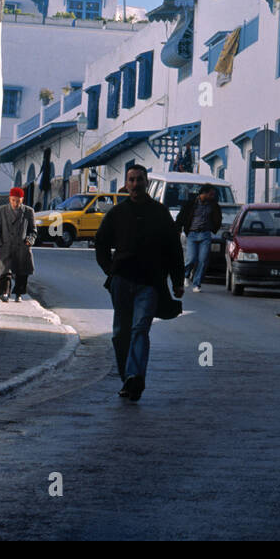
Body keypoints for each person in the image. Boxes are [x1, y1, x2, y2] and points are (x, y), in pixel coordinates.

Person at [94, 165, 184, 401]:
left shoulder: (160, 213)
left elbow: (174, 249)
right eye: (131, 180)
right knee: (120, 333)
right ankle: (127, 378)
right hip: (121, 280)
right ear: (127, 184)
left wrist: (177, 281)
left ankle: (135, 378)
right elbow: (101, 243)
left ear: (146, 183)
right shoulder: (117, 213)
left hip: (150, 282)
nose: (135, 184)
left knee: (140, 329)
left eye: (139, 180)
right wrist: (109, 269)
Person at [0, 187, 37, 302]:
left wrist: (29, 241)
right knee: (5, 271)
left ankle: (19, 294)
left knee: (22, 272)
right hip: (5, 246)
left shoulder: (28, 212)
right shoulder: (1, 211)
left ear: (22, 200)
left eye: (18, 201)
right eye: (13, 200)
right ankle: (4, 293)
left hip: (22, 246)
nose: (15, 203)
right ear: (9, 199)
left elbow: (33, 231)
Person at [178, 183, 222, 293]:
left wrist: (215, 227)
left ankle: (197, 283)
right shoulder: (191, 204)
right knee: (191, 258)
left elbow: (218, 217)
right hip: (192, 234)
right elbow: (181, 217)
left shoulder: (213, 205)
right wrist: (178, 229)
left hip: (205, 234)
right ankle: (186, 275)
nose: (213, 196)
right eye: (211, 194)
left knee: (203, 260)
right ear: (204, 193)